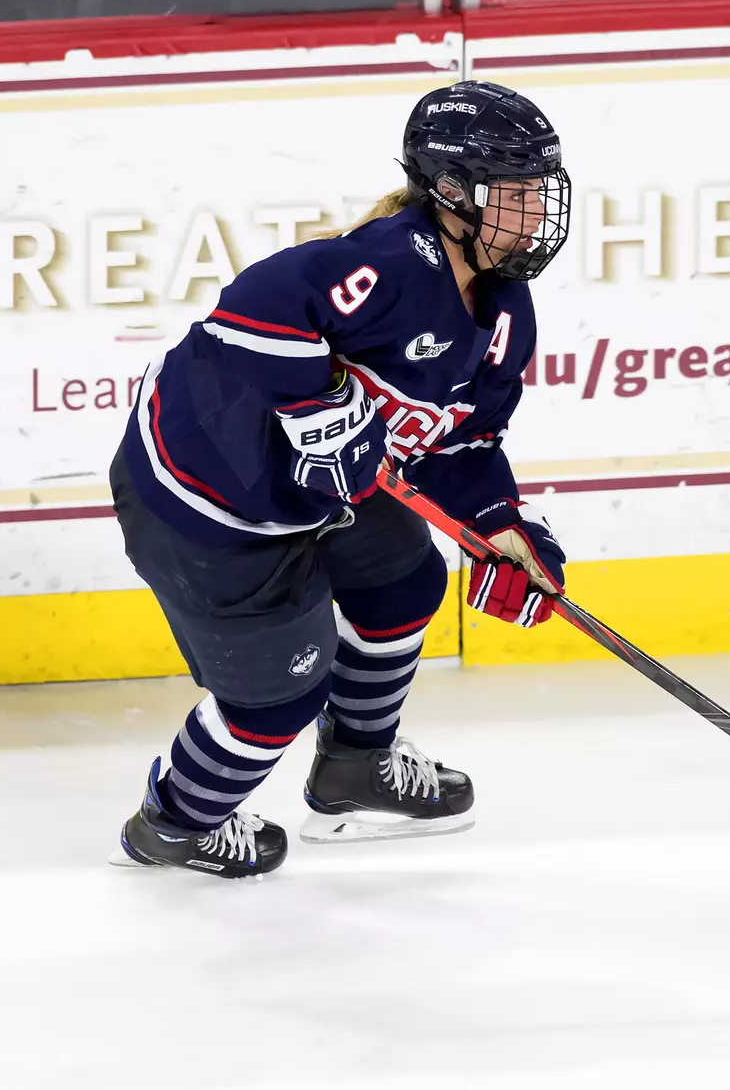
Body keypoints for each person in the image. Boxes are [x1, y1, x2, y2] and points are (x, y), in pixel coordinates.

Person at [107, 80, 572, 877]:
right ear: (453, 191)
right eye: (517, 192)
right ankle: (172, 824)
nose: (536, 214)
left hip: (319, 495)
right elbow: (251, 310)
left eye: (542, 191)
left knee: (404, 583)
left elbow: (458, 445)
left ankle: (355, 767)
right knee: (277, 699)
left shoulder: (503, 310)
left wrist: (500, 522)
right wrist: (321, 406)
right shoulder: (391, 263)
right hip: (209, 499)